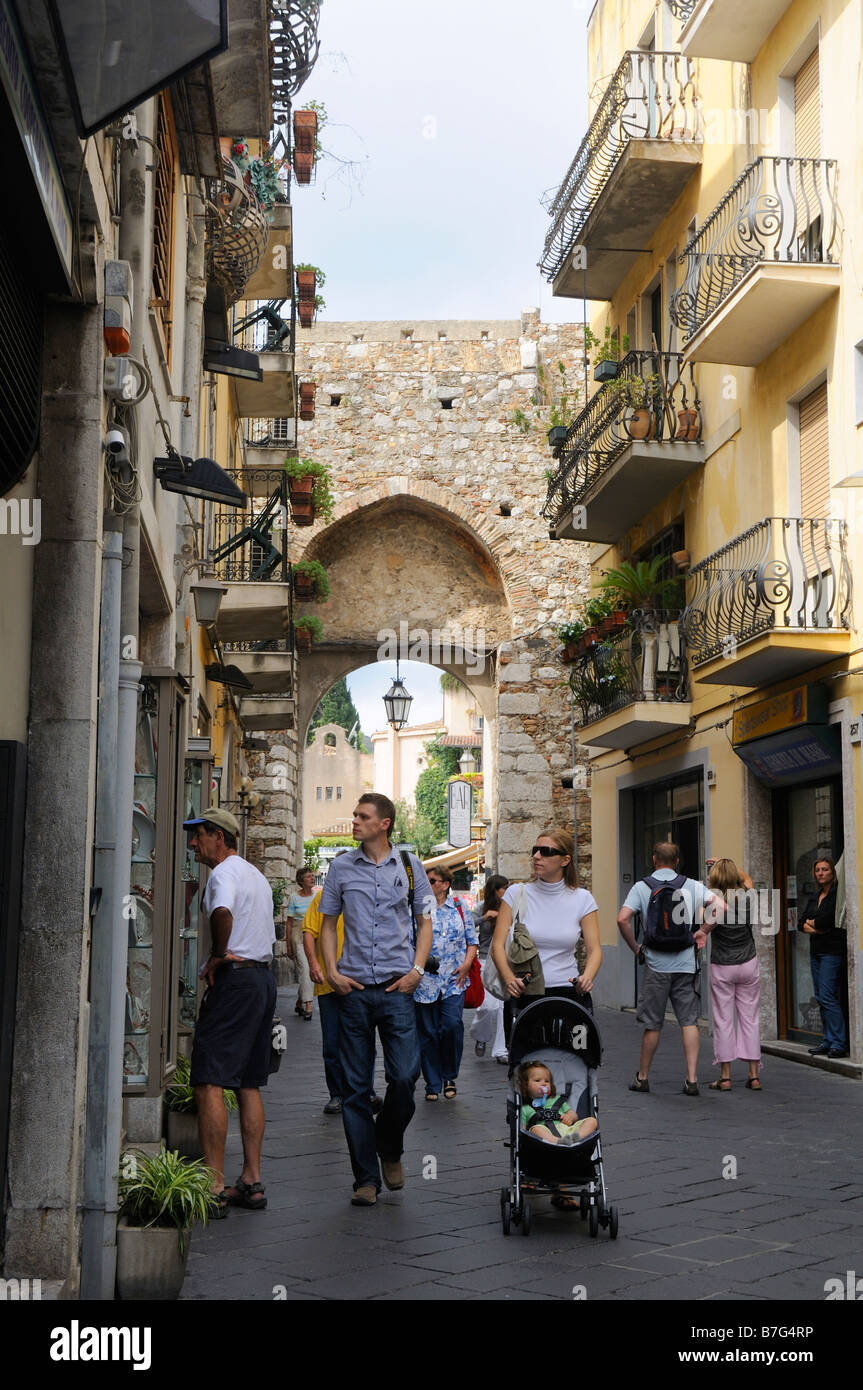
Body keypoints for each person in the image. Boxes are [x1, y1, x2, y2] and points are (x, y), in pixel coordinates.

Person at [320, 793, 433, 1207]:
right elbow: (327, 925)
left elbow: (425, 921)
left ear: (384, 823)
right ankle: (365, 1179)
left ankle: (390, 1144)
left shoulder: (409, 865)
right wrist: (332, 971)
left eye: (362, 816)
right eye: (354, 815)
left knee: (405, 1077)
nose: (354, 821)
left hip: (396, 989)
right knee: (355, 1090)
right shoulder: (341, 867)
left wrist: (417, 971)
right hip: (352, 992)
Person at [184, 807, 277, 1215]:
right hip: (261, 980)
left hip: (236, 982)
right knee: (249, 1082)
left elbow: (222, 913)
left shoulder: (222, 874)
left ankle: (215, 1184)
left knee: (210, 1080)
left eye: (198, 835)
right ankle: (252, 1180)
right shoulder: (255, 875)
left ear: (219, 836)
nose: (192, 844)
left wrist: (217, 956)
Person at [617, 841, 722, 1097]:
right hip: (686, 963)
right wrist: (702, 931)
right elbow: (721, 907)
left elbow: (622, 919)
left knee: (653, 1024)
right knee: (689, 1022)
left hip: (655, 964)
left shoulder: (642, 887)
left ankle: (642, 1077)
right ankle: (692, 1079)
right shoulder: (692, 885)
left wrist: (635, 947)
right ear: (677, 861)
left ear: (654, 860)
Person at [491, 827, 601, 1035]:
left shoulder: (583, 899)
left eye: (545, 851)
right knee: (526, 1064)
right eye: (535, 850)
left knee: (570, 1062)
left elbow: (595, 950)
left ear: (565, 860)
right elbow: (497, 945)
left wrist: (587, 976)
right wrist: (509, 980)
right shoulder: (516, 894)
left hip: (567, 992)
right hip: (525, 991)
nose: (536, 856)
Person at [302, 862, 383, 1117]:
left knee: (363, 1039)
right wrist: (314, 964)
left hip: (362, 980)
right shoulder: (322, 898)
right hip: (329, 981)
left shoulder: (368, 896)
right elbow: (309, 932)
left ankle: (365, 1091)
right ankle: (337, 1093)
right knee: (333, 1042)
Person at [414, 866, 478, 1102]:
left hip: (454, 979)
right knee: (428, 1033)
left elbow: (472, 941)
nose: (429, 884)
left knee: (451, 1026)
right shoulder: (420, 910)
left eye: (432, 880)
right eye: (427, 880)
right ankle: (432, 1083)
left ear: (444, 884)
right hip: (425, 981)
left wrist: (467, 964)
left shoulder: (460, 908)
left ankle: (449, 1075)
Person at [705, 859, 763, 1091]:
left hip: (722, 964)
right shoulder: (748, 896)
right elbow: (746, 878)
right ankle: (753, 1075)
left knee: (723, 1020)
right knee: (750, 1018)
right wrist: (723, 862)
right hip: (748, 961)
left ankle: (726, 1077)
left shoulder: (712, 901)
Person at [800, 855, 848, 1058]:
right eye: (818, 870)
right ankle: (828, 1040)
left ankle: (839, 1042)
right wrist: (814, 926)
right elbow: (800, 922)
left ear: (833, 872)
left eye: (825, 869)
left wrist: (814, 925)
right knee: (820, 997)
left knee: (828, 997)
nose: (821, 873)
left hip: (831, 952)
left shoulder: (836, 895)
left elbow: (825, 921)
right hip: (816, 952)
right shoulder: (815, 895)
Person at [469, 875, 508, 1061]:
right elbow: (466, 925)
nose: (507, 892)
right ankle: (480, 1035)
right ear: (495, 890)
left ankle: (501, 1050)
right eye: (504, 888)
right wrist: (485, 917)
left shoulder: (510, 909)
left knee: (502, 1007)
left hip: (506, 962)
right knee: (486, 1007)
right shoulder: (481, 907)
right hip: (485, 960)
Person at [517, 1061, 598, 1146]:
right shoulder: (525, 1108)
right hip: (546, 1135)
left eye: (547, 1081)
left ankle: (577, 1139)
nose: (544, 1083)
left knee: (592, 1121)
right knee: (536, 1129)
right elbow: (523, 1130)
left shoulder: (556, 1100)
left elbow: (574, 1115)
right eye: (537, 1080)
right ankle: (557, 1142)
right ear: (525, 1085)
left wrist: (570, 1117)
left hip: (567, 1131)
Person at [286, 866, 317, 1020]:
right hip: (298, 936)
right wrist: (288, 945)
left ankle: (300, 1001)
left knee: (307, 970)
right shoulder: (294, 897)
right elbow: (289, 923)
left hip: (314, 935)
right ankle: (308, 1005)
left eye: (313, 876)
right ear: (301, 881)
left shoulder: (317, 896)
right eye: (309, 876)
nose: (312, 878)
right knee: (305, 969)